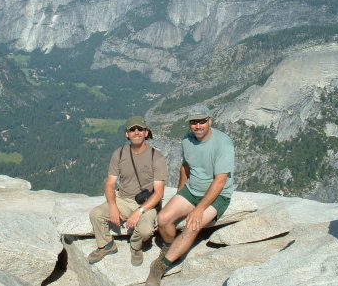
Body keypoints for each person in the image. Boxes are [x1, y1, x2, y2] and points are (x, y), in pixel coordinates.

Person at [145, 105, 234, 286]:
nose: (198, 126)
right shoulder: (187, 140)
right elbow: (185, 167)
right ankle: (171, 247)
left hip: (217, 195)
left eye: (202, 121)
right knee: (163, 219)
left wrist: (198, 210)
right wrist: (179, 194)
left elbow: (220, 181)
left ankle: (160, 266)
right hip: (192, 190)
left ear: (210, 121)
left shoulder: (223, 143)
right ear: (189, 124)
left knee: (192, 225)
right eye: (194, 122)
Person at [89, 116, 168, 266]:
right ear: (127, 134)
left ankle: (135, 247)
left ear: (146, 133)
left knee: (145, 230)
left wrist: (139, 211)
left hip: (147, 202)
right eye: (132, 129)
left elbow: (159, 193)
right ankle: (107, 245)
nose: (136, 132)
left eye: (140, 129)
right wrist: (112, 206)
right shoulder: (119, 154)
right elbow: (110, 184)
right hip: (123, 199)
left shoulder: (156, 157)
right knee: (96, 214)